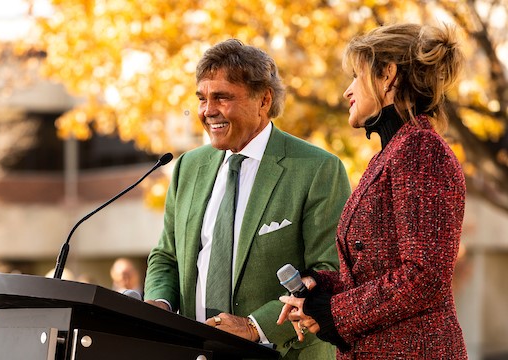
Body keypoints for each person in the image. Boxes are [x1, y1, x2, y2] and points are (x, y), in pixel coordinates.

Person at [144, 38, 352, 359]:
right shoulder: (188, 166)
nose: (208, 110)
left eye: (222, 97)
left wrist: (254, 326)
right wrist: (158, 304)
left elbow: (329, 270)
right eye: (202, 98)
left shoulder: (316, 169)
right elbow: (166, 256)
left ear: (263, 100)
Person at [277, 23, 467, 358]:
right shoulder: (393, 152)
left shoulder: (421, 150)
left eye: (356, 76)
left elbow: (425, 276)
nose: (347, 91)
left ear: (388, 75)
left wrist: (333, 312)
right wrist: (322, 287)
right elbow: (377, 270)